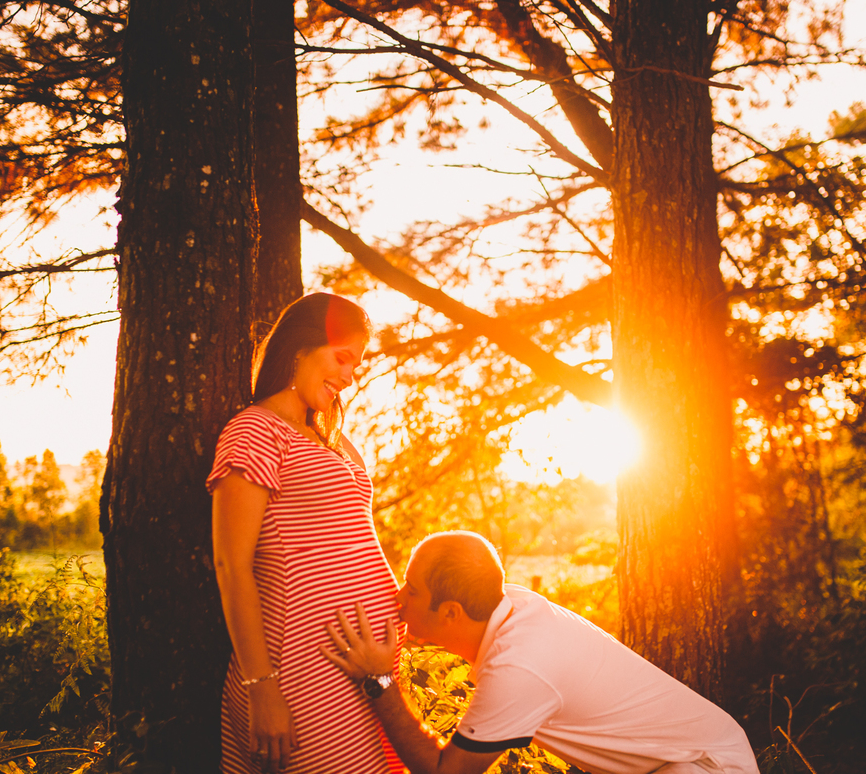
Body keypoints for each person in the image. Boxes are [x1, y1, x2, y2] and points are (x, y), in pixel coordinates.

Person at [322, 530, 759, 774]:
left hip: (709, 767)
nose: (398, 599)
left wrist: (380, 681)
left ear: (451, 612)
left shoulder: (519, 666)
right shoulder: (509, 605)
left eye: (411, 590)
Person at [209, 293, 402, 774]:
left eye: (356, 365)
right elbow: (231, 565)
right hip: (298, 672)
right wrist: (262, 687)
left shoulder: (333, 439)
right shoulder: (256, 431)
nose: (349, 376)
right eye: (342, 358)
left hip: (363, 671)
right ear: (299, 349)